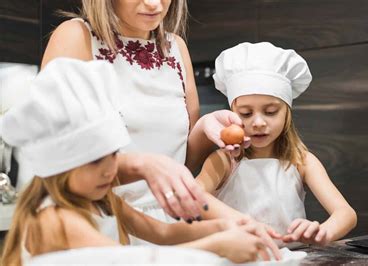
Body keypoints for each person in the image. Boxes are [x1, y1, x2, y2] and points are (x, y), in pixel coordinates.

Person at [38, 0, 280, 256]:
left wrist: (205, 129)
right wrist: (142, 165)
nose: (154, 4)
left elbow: (180, 165)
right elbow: (58, 160)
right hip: (99, 220)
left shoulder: (176, 47)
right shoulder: (76, 36)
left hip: (166, 223)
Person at [0, 58, 271, 266]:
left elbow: (163, 233)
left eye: (114, 154)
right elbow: (129, 260)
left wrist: (225, 226)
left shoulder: (103, 200)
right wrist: (219, 245)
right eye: (95, 162)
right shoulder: (57, 218)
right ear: (58, 169)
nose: (111, 169)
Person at [196, 42, 358, 246]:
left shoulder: (301, 160)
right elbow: (194, 195)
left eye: (270, 111)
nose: (258, 122)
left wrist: (322, 232)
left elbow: (346, 213)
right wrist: (242, 223)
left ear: (287, 113)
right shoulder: (224, 160)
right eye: (246, 114)